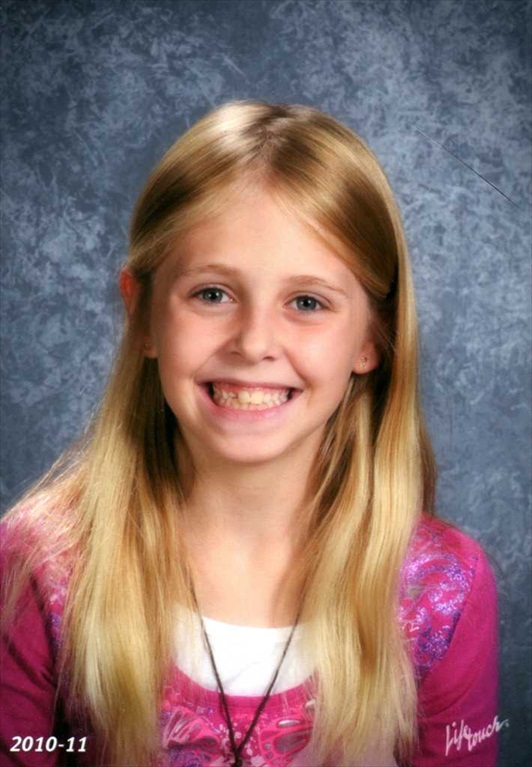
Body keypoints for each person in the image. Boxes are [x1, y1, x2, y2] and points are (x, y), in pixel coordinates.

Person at [0, 101, 498, 767]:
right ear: (142, 315)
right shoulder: (43, 565)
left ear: (372, 339)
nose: (255, 342)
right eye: (212, 294)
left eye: (307, 302)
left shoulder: (440, 591)